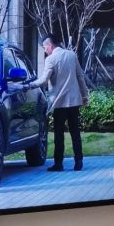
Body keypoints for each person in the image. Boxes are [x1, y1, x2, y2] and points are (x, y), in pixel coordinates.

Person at [24, 34, 89, 171]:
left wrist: (29, 85)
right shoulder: (71, 55)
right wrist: (84, 95)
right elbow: (80, 76)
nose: (45, 50)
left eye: (45, 47)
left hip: (59, 103)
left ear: (50, 45)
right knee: (75, 132)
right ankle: (78, 162)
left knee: (59, 134)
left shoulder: (50, 59)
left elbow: (43, 80)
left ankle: (58, 164)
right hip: (74, 101)